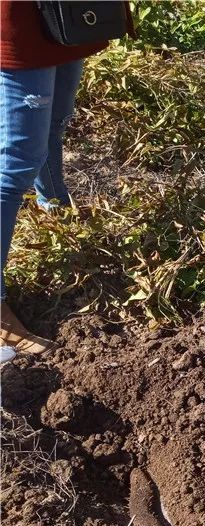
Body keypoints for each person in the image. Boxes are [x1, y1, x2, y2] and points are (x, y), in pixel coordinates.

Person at [0, 1, 118, 361]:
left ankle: (57, 212)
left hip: (66, 12)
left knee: (54, 122)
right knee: (15, 163)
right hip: (17, 17)